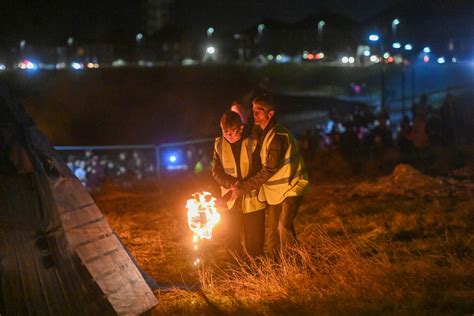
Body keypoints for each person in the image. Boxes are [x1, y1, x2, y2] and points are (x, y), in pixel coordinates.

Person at [229, 95, 309, 258]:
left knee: (283, 226)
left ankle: (296, 265)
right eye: (253, 111)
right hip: (276, 192)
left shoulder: (277, 137)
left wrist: (243, 188)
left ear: (270, 114)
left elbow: (268, 170)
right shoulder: (262, 133)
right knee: (272, 232)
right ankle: (276, 266)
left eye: (258, 112)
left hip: (292, 187)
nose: (254, 115)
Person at [211, 111, 266, 259]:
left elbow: (259, 171)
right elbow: (216, 171)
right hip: (230, 201)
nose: (229, 135)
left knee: (254, 241)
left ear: (241, 127)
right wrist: (232, 184)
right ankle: (235, 273)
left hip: (252, 200)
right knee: (231, 240)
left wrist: (243, 186)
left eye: (233, 131)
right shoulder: (219, 145)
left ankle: (258, 273)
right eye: (225, 131)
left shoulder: (253, 143)